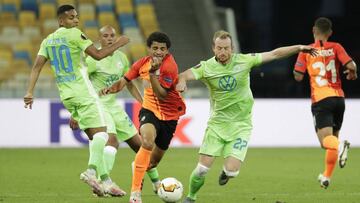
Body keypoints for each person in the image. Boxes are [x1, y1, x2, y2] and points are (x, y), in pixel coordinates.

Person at [176, 30, 317, 203]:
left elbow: (273, 54)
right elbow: (183, 75)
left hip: (241, 125)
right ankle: (191, 197)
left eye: (226, 48)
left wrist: (299, 48)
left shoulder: (244, 61)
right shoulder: (206, 67)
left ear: (232, 48)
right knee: (202, 170)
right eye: (219, 48)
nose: (223, 52)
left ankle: (226, 174)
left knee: (232, 171)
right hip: (217, 125)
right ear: (213, 48)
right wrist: (182, 82)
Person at [23, 5, 129, 196]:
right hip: (84, 92)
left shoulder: (48, 40)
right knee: (103, 135)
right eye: (71, 18)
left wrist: (30, 91)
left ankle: (106, 182)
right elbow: (98, 55)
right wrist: (120, 42)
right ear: (61, 21)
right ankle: (90, 172)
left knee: (94, 136)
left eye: (77, 17)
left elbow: (36, 67)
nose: (76, 21)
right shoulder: (75, 35)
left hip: (66, 95)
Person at [69, 25, 161, 196]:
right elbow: (80, 83)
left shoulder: (121, 58)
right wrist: (76, 111)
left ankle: (157, 183)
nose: (110, 38)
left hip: (113, 106)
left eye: (112, 35)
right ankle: (104, 182)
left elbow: (129, 82)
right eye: (105, 36)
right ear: (99, 39)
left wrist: (143, 103)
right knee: (112, 141)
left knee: (141, 146)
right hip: (97, 106)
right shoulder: (93, 59)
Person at [101, 31, 186, 203]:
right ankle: (135, 194)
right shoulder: (141, 64)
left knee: (152, 162)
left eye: (163, 49)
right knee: (146, 142)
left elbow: (162, 95)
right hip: (149, 110)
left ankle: (139, 166)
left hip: (170, 116)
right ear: (148, 49)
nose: (159, 52)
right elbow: (124, 81)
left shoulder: (170, 66)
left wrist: (153, 74)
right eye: (155, 48)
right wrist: (111, 88)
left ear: (167, 50)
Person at [293, 17, 357, 189]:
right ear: (330, 33)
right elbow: (351, 65)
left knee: (326, 142)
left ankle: (341, 145)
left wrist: (302, 67)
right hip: (339, 99)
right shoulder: (336, 47)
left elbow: (298, 76)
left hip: (321, 100)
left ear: (314, 30)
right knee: (332, 140)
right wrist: (352, 73)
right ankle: (326, 177)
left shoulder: (306, 51)